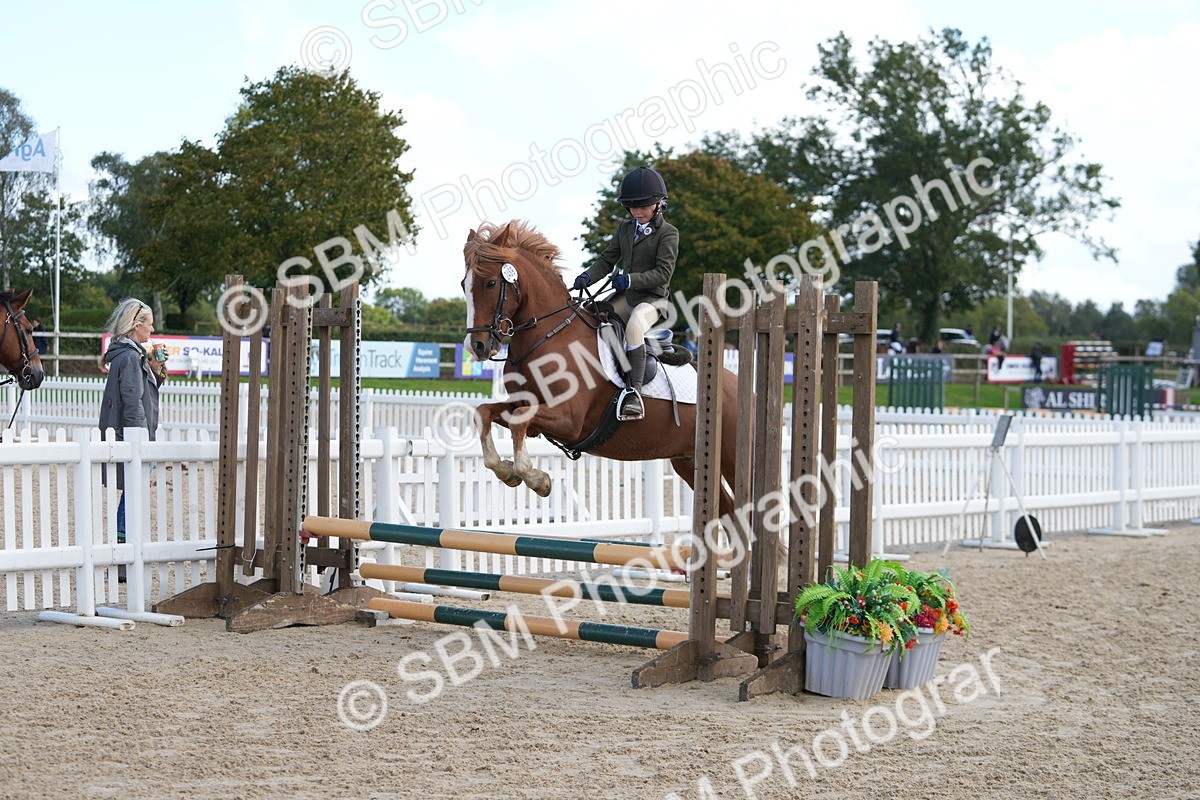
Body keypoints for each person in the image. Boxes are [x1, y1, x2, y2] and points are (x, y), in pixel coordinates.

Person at [573, 165, 678, 421]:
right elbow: (607, 260)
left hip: (652, 300)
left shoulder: (668, 233)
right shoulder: (625, 229)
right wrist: (588, 275)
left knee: (633, 328)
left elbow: (663, 274)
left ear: (658, 205)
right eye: (632, 207)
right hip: (625, 297)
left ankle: (634, 392)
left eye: (643, 206)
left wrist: (629, 280)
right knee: (591, 317)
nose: (637, 211)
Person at [99, 298, 167, 543]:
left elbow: (145, 390)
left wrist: (155, 367)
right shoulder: (129, 357)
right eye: (149, 324)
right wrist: (141, 440)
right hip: (132, 435)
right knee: (132, 493)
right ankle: (122, 544)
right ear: (136, 325)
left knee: (132, 493)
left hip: (129, 433)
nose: (152, 329)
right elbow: (133, 402)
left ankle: (123, 543)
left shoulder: (131, 354)